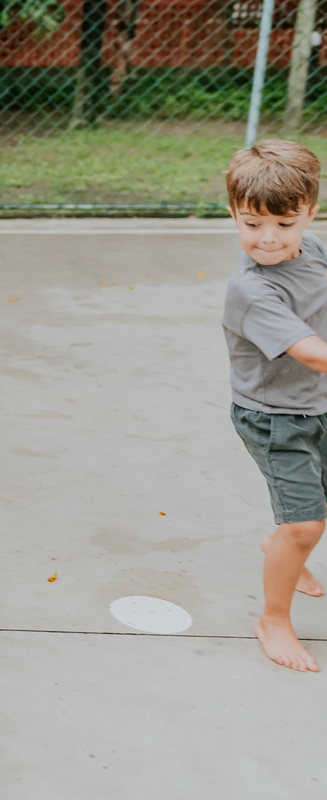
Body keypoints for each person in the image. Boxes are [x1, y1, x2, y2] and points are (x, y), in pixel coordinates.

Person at [222, 139, 327, 672]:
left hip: (318, 404)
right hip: (275, 417)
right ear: (233, 213)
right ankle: (273, 618)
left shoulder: (315, 250)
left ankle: (284, 544)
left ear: (311, 212)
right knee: (307, 524)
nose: (268, 238)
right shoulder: (253, 289)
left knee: (308, 518)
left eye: (285, 224)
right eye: (252, 223)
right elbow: (311, 353)